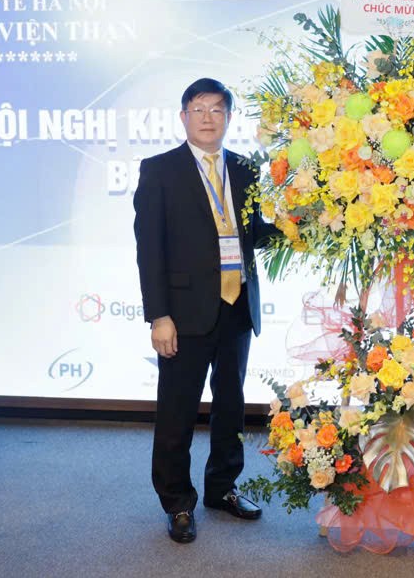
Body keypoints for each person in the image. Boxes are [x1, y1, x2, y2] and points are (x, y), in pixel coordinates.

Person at [133, 77, 278, 544]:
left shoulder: (245, 170)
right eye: (198, 109)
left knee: (231, 407)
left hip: (237, 306)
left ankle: (222, 488)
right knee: (177, 412)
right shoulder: (160, 170)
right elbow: (149, 251)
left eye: (217, 109)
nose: (208, 118)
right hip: (183, 313)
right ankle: (177, 503)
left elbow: (254, 233)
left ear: (229, 118)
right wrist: (159, 316)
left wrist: (301, 222)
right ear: (183, 117)